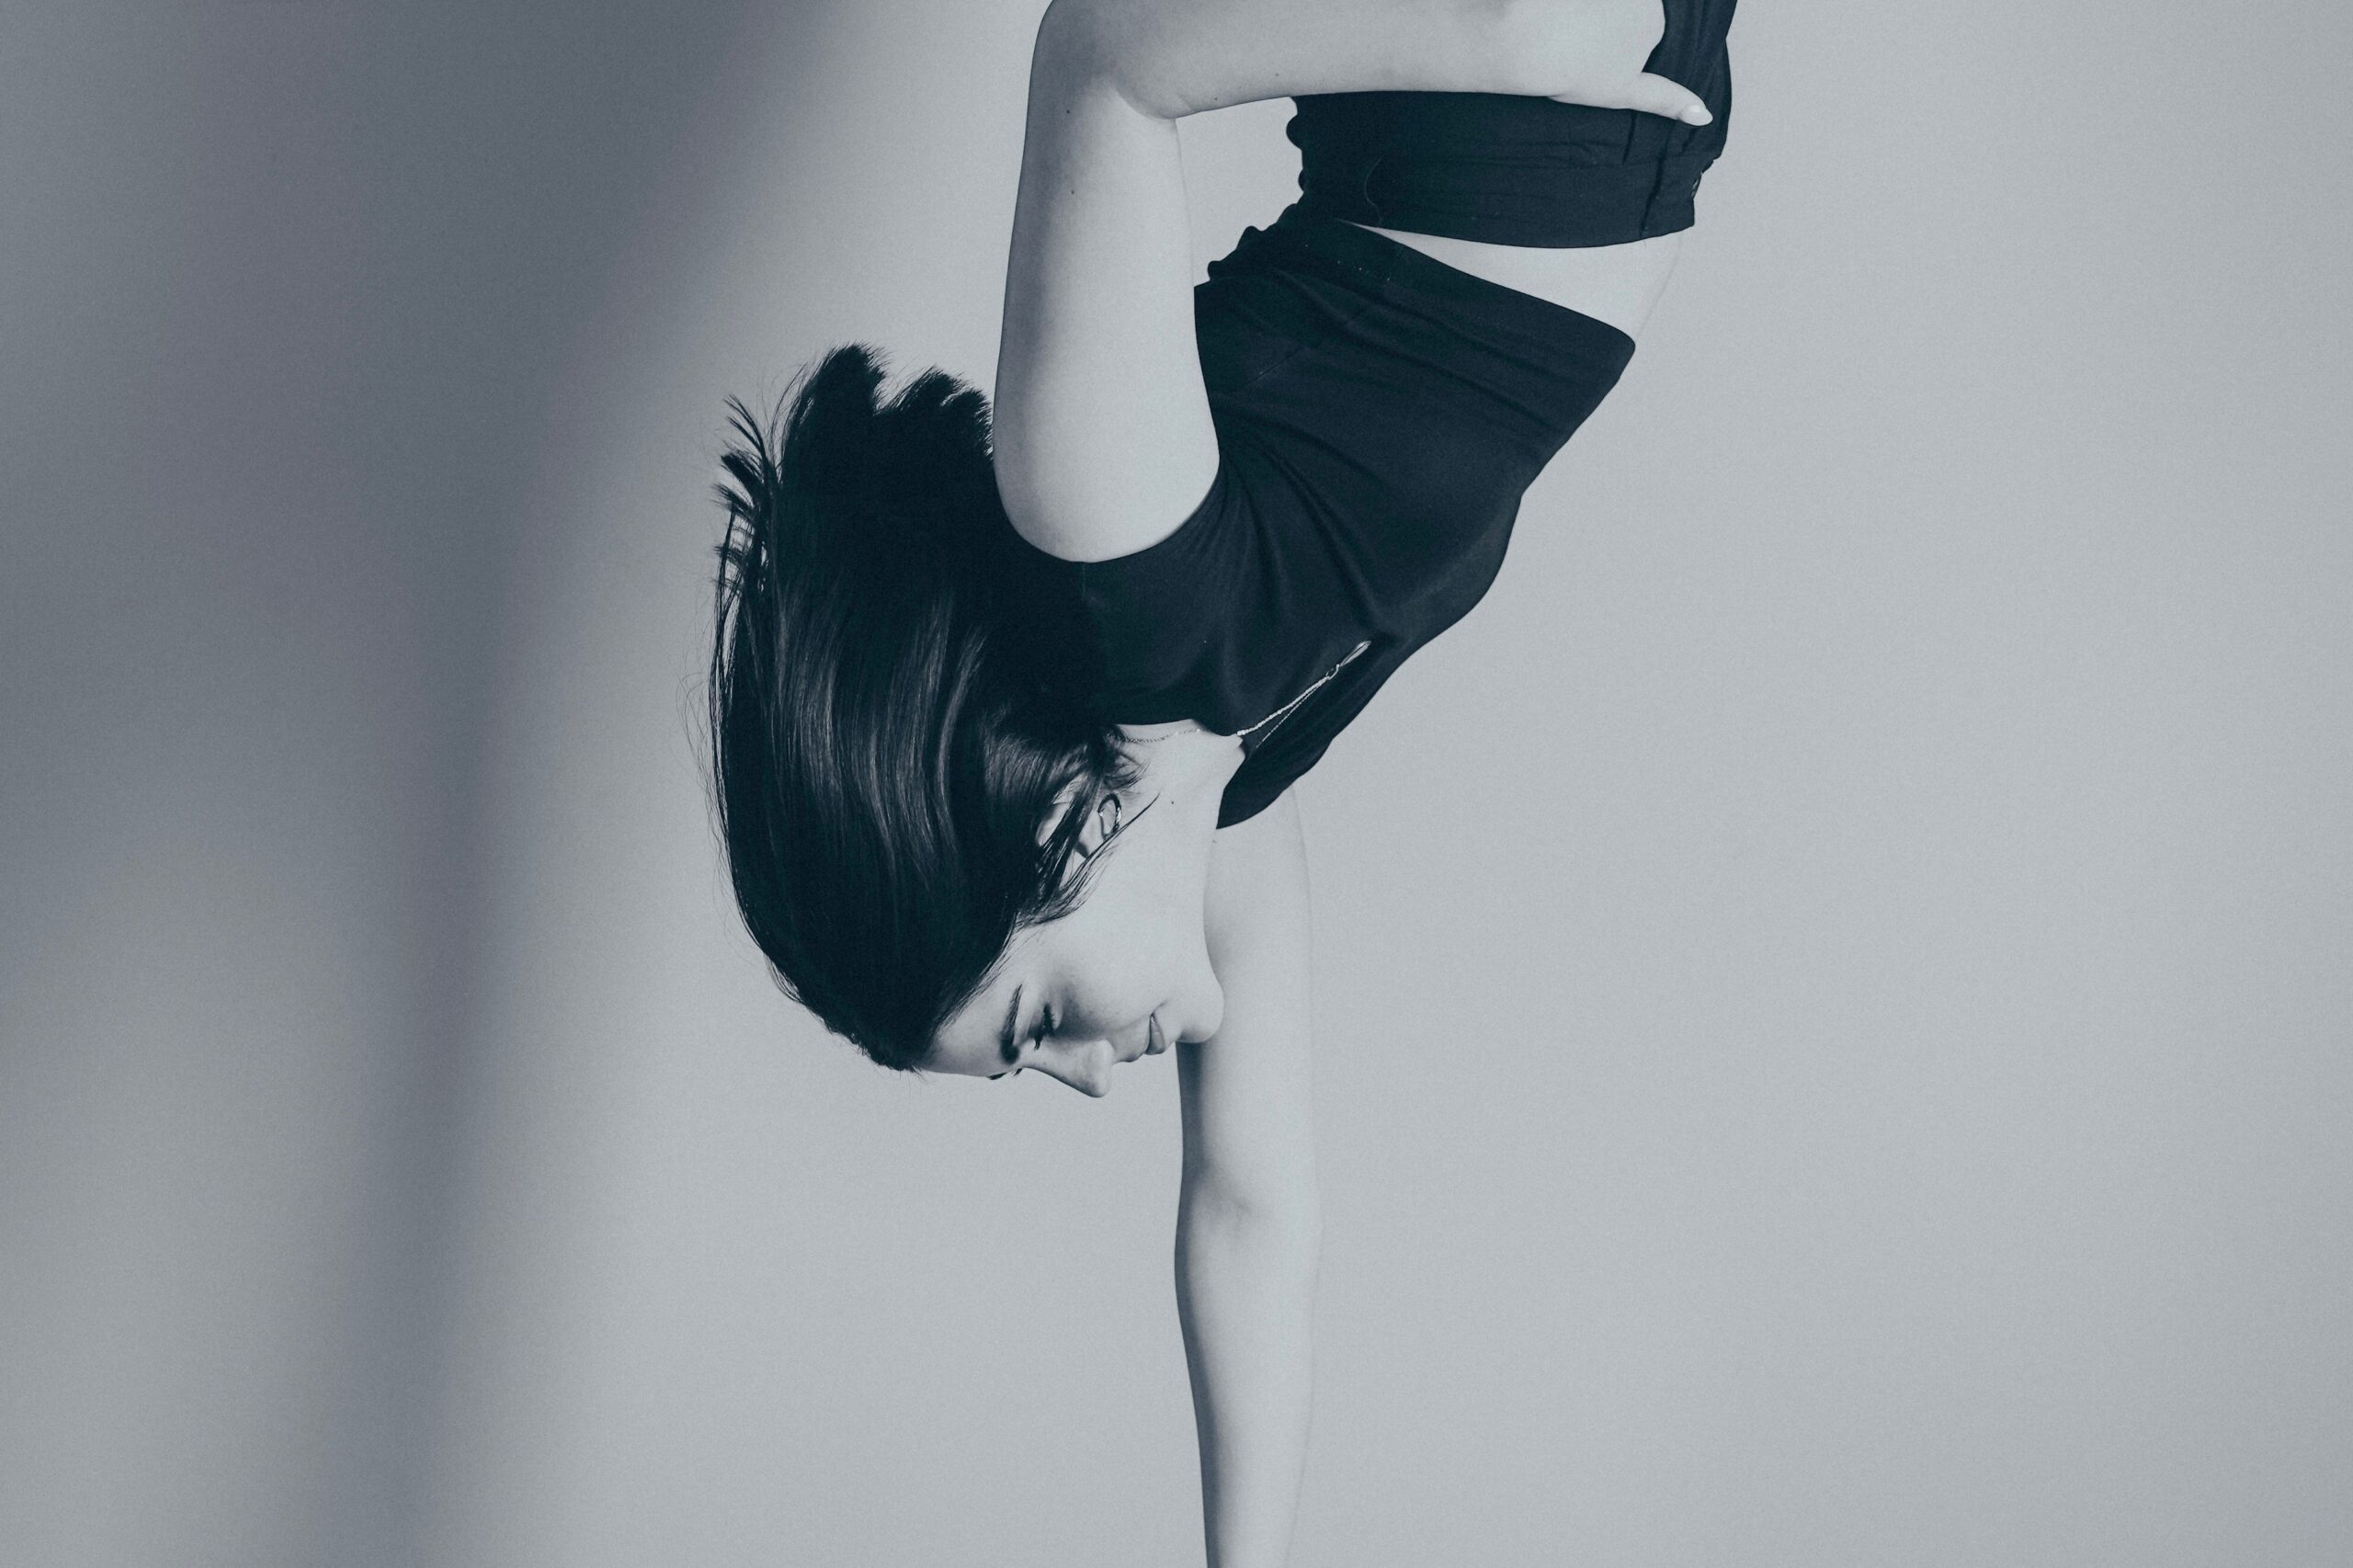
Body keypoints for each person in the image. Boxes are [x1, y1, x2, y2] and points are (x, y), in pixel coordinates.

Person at [705, 1, 1735, 1561]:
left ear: (1048, 828)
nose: (1092, 1074)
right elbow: (1247, 1205)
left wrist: (1511, 33)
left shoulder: (1112, 560)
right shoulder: (1234, 768)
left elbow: (1103, 58)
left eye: (1035, 1023)